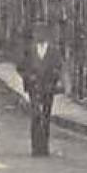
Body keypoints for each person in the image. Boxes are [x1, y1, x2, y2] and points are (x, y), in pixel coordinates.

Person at [21, 20, 63, 157]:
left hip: (48, 87)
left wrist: (54, 79)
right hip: (34, 87)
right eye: (37, 32)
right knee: (35, 116)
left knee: (45, 116)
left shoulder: (53, 50)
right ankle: (35, 148)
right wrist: (28, 77)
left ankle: (44, 148)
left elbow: (58, 66)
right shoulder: (29, 50)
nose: (39, 35)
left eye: (42, 32)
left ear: (47, 34)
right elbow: (21, 67)